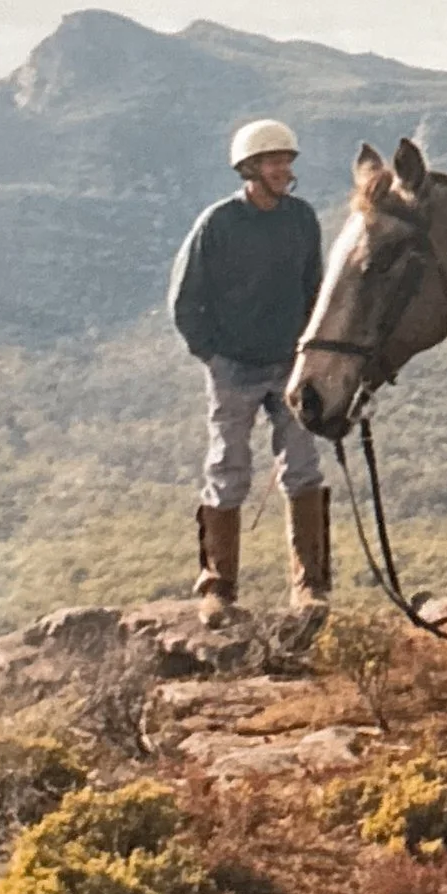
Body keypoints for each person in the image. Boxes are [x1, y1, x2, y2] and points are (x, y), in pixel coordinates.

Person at [169, 119, 330, 630]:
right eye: (273, 161)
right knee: (227, 468)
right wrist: (212, 356)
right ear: (249, 168)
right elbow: (185, 299)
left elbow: (315, 289)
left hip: (290, 365)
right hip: (233, 367)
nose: (284, 169)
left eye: (287, 160)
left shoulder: (302, 219)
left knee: (303, 466)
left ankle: (310, 587)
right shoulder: (218, 224)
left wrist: (311, 354)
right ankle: (217, 586)